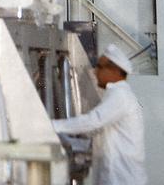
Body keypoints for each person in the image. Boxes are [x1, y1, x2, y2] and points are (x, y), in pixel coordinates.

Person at [53, 44, 146, 185]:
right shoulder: (116, 95)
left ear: (114, 70)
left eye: (100, 67)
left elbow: (93, 121)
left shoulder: (120, 95)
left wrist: (52, 125)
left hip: (122, 179)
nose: (95, 72)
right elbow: (99, 132)